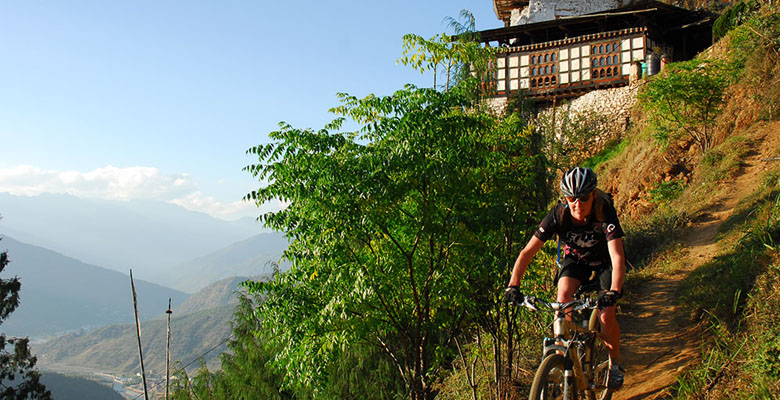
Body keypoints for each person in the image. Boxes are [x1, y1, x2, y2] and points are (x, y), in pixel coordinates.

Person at [503, 166, 626, 390]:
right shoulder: (557, 216)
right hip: (576, 261)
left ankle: (615, 363)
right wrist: (513, 285)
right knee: (562, 297)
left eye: (583, 198)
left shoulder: (604, 211)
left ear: (593, 195)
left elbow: (617, 256)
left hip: (604, 262)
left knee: (606, 315)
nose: (577, 204)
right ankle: (565, 355)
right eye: (571, 198)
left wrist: (614, 292)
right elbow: (526, 253)